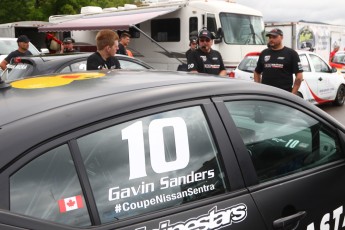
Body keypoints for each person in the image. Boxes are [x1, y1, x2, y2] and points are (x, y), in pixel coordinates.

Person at [254, 28, 303, 94]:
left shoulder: (291, 53)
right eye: (270, 37)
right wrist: (258, 88)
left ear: (282, 37)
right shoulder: (264, 53)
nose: (271, 39)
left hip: (283, 95)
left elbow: (299, 77)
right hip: (266, 94)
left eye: (274, 37)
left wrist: (293, 94)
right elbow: (257, 72)